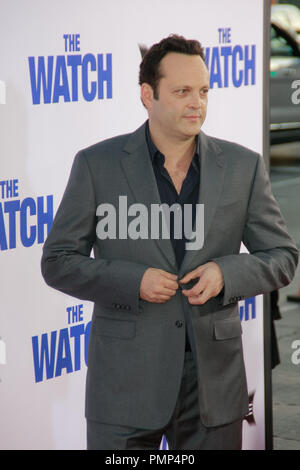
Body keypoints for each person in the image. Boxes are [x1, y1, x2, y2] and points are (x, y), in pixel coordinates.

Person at [41, 34, 298, 450]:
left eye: (203, 91)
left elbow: (283, 256)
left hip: (213, 387)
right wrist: (133, 280)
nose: (197, 103)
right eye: (182, 92)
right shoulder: (96, 165)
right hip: (125, 388)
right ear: (148, 95)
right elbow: (57, 260)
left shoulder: (242, 166)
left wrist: (225, 273)